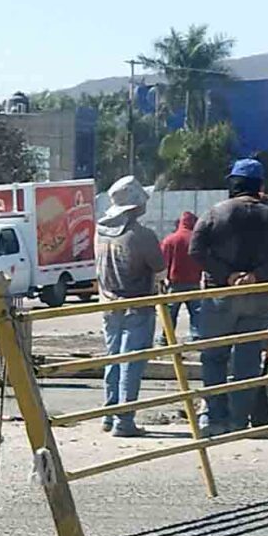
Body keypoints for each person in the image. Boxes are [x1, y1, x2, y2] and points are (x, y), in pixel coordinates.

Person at [189, 160, 268, 434]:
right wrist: (259, 274)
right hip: (260, 296)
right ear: (260, 186)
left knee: (214, 357)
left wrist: (226, 275)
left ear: (233, 184)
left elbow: (196, 251)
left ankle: (215, 419)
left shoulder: (215, 213)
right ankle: (240, 421)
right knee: (248, 359)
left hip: (221, 294)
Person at [94, 176, 162, 437]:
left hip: (108, 304)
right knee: (131, 363)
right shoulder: (141, 235)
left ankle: (109, 414)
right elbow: (159, 268)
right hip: (137, 304)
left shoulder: (100, 232)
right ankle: (125, 420)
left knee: (113, 359)